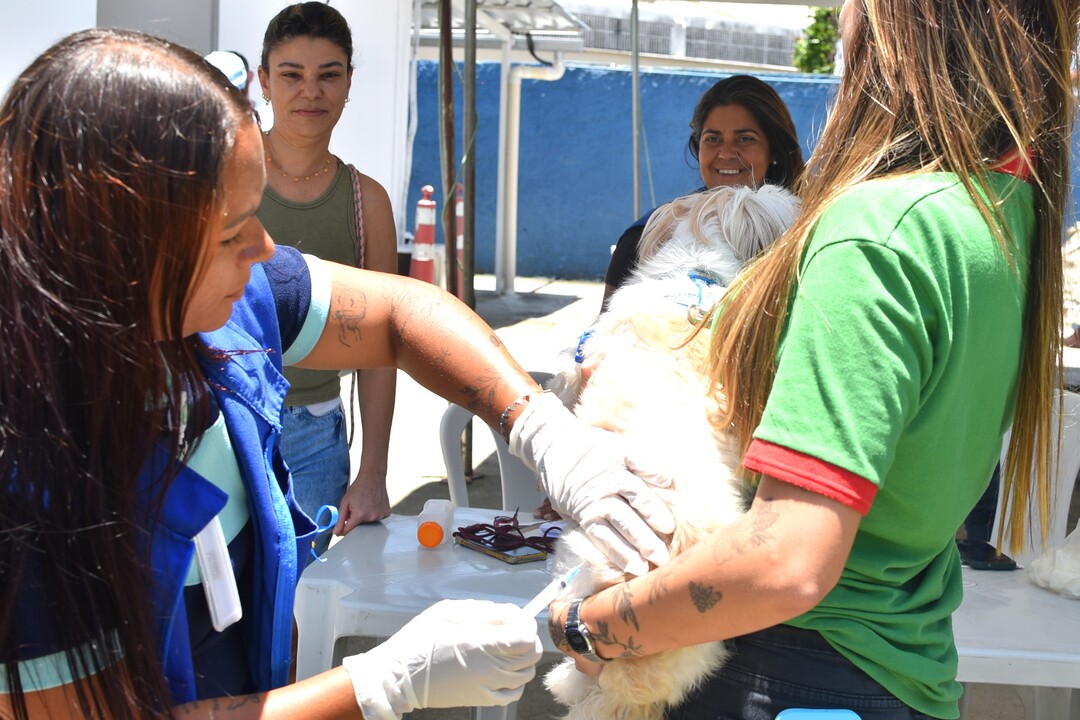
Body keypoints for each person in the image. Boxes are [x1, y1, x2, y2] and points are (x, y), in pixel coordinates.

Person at [0, 28, 675, 719]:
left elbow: (401, 315)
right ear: (123, 245)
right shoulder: (31, 483)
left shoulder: (236, 305)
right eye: (233, 231)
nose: (264, 248)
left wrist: (545, 435)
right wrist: (379, 684)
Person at [532, 0, 1078, 718]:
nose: (844, 18)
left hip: (782, 666)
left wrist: (588, 625)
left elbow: (788, 557)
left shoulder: (876, 233)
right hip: (903, 666)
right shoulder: (1001, 210)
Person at [255, 3, 398, 552]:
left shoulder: (367, 203)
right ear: (264, 81)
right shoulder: (218, 173)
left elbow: (381, 348)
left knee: (295, 614)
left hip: (316, 437)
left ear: (348, 84)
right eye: (291, 74)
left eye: (327, 75)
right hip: (216, 423)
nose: (309, 91)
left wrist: (374, 472)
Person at [601, 74, 804, 311]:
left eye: (745, 138)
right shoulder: (647, 235)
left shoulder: (801, 230)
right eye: (713, 139)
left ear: (775, 151)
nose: (727, 153)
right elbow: (606, 335)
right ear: (699, 149)